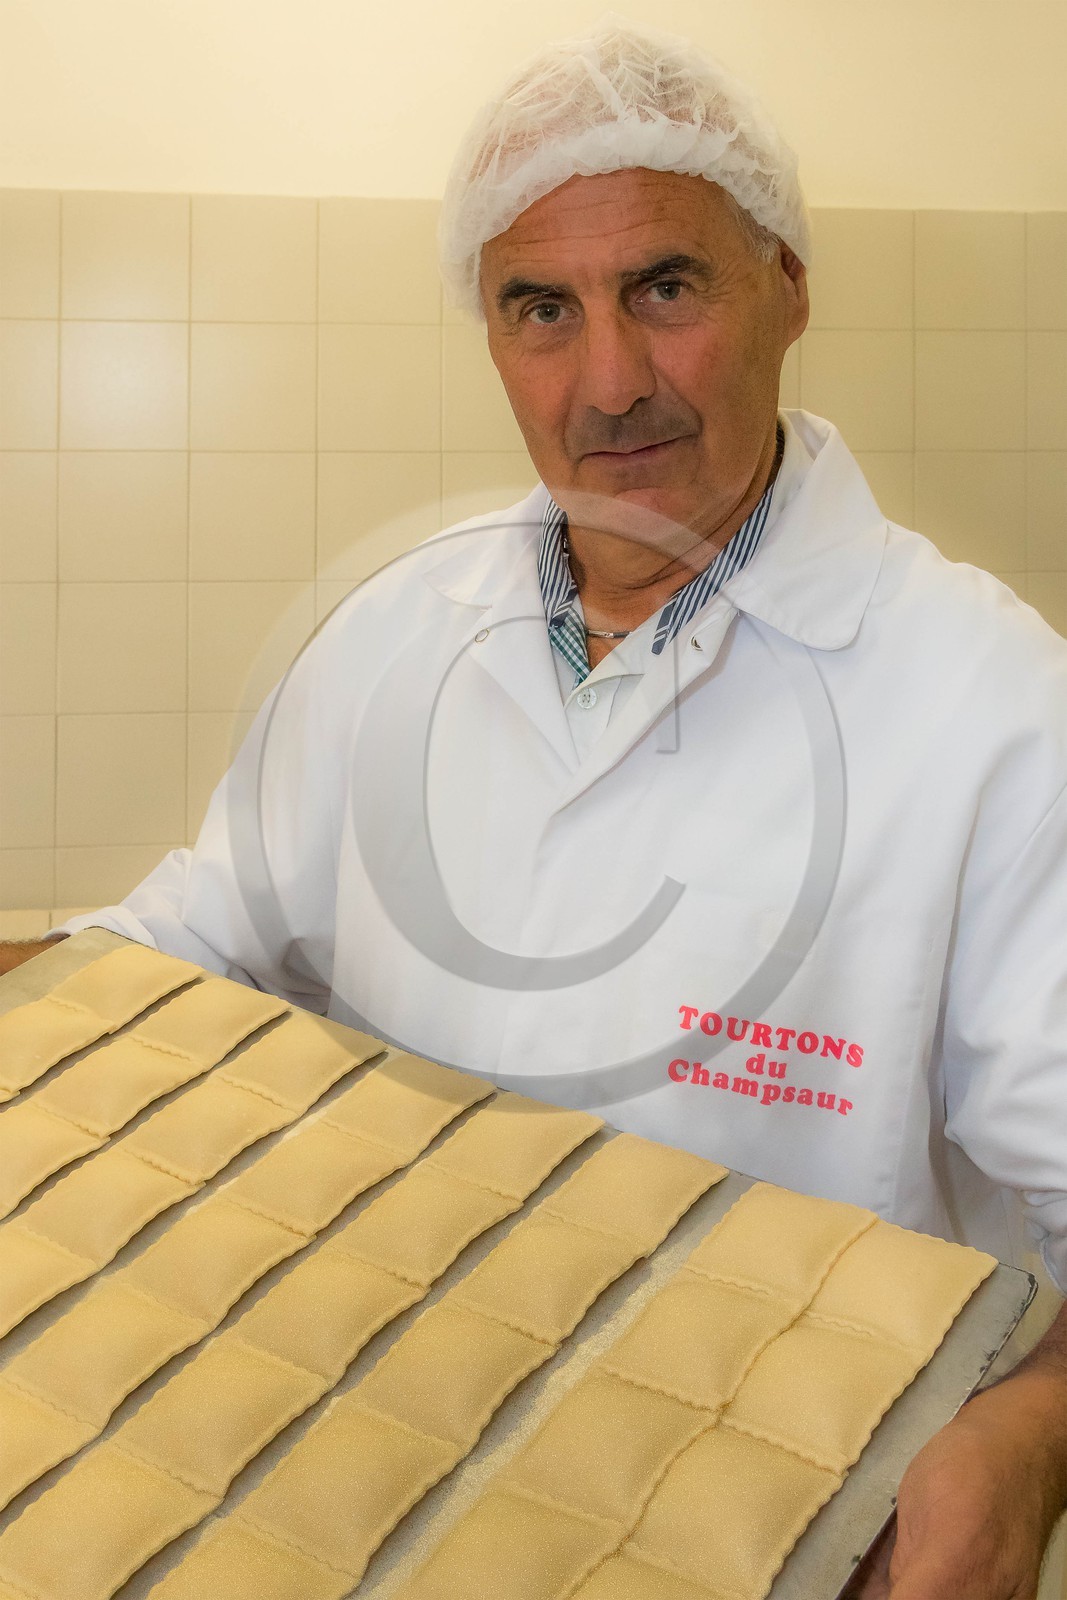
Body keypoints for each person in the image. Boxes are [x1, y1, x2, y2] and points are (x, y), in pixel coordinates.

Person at [2, 18, 1064, 1597]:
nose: (610, 384)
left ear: (787, 285)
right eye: (540, 309)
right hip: (371, 1489)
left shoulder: (996, 709)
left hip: (767, 1530)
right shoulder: (388, 640)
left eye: (667, 286)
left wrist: (1033, 1438)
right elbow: (177, 956)